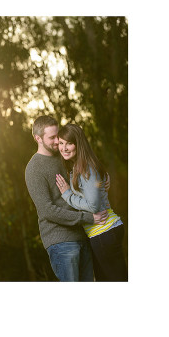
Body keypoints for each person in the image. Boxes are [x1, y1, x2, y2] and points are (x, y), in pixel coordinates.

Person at [25, 115, 106, 282]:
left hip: (83, 236)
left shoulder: (63, 156)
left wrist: (102, 179)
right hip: (61, 243)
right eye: (52, 137)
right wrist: (88, 218)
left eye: (58, 136)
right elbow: (48, 211)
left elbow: (84, 178)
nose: (58, 141)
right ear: (37, 138)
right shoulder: (33, 169)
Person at [54, 123, 127, 282]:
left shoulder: (86, 167)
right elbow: (96, 189)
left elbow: (93, 206)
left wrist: (67, 194)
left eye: (69, 143)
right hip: (103, 233)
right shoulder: (81, 166)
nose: (64, 148)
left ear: (78, 144)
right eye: (61, 143)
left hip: (104, 231)